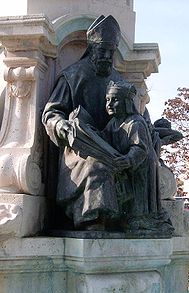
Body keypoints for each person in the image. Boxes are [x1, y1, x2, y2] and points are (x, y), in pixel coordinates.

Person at [42, 15, 124, 231]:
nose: (107, 56)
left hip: (113, 146)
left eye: (111, 51)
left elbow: (132, 115)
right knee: (96, 166)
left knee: (137, 162)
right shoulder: (72, 75)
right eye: (102, 50)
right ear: (92, 48)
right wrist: (62, 126)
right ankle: (92, 221)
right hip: (79, 149)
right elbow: (52, 113)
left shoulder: (118, 80)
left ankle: (136, 222)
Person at [102, 80, 173, 234]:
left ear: (127, 102)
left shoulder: (135, 123)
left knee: (139, 201)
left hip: (140, 169)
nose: (109, 104)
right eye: (108, 100)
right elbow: (104, 138)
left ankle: (141, 219)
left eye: (115, 100)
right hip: (127, 168)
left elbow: (140, 148)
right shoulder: (114, 123)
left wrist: (128, 160)